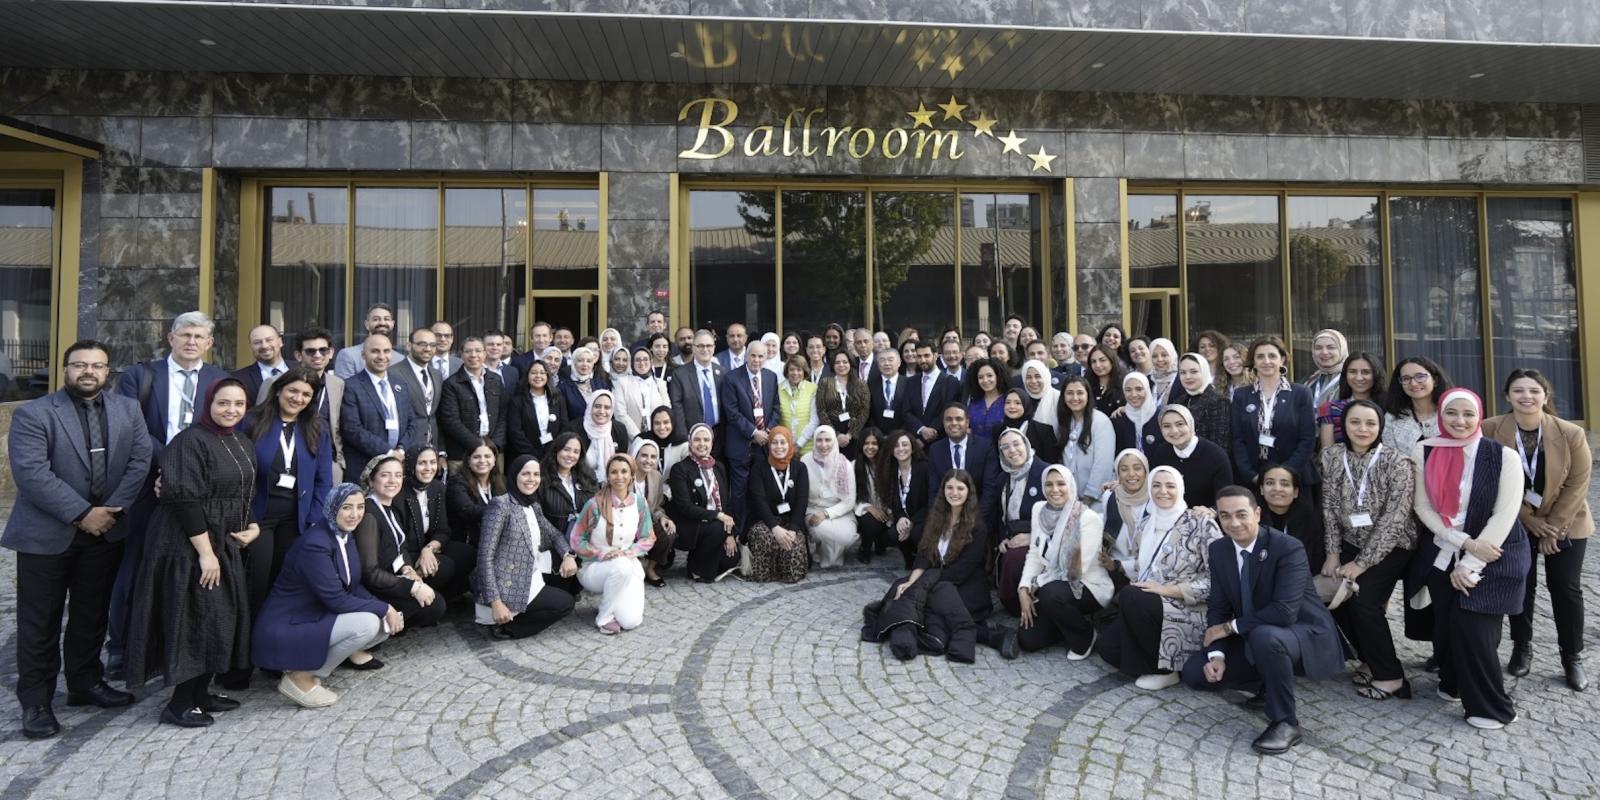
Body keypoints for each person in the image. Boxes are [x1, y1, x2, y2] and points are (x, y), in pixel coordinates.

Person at [5, 341, 151, 738]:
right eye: (80, 365)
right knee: (40, 622)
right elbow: (32, 473)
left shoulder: (128, 409)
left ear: (108, 371)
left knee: (91, 615)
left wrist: (112, 511)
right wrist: (82, 514)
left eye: (97, 365)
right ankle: (36, 700)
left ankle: (85, 683)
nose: (88, 371)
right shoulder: (34, 414)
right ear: (65, 368)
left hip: (106, 532)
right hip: (46, 535)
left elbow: (140, 461)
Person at [123, 379, 257, 728]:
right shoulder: (189, 440)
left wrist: (252, 526)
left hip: (221, 540)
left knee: (219, 616)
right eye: (223, 403)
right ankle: (180, 702)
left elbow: (242, 492)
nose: (231, 410)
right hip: (187, 543)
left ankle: (201, 692)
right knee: (195, 618)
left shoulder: (240, 440)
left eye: (239, 404)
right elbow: (183, 497)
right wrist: (205, 553)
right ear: (209, 403)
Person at [108, 311, 226, 679]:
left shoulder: (220, 379)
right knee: (136, 565)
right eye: (185, 334)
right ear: (170, 337)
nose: (191, 341)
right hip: (147, 484)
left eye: (199, 336)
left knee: (192, 566)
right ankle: (121, 648)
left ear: (209, 343)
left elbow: (227, 425)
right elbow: (131, 428)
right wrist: (171, 468)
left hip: (199, 489)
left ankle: (181, 647)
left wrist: (185, 475)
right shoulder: (140, 377)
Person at [1182, 485, 1343, 755]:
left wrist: (1227, 628)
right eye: (1225, 516)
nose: (1233, 523)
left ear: (1257, 513)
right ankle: (1267, 681)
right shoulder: (1220, 550)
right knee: (1196, 674)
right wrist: (1217, 655)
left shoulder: (1287, 547)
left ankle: (1286, 721)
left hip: (1301, 633)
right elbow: (1218, 606)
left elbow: (1284, 612)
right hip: (1256, 632)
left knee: (1265, 636)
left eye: (1241, 514)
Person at [1413, 388, 1530, 729]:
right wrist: (1460, 542)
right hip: (1446, 547)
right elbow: (1422, 506)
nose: (1460, 421)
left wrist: (1471, 562)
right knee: (1447, 626)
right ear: (1440, 416)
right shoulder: (1425, 450)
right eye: (1452, 413)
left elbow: (1505, 515)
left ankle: (1493, 707)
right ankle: (1454, 683)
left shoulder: (1503, 457)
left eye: (1468, 414)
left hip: (1496, 554)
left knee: (1473, 628)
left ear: (1480, 415)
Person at [1481, 369, 1591, 691]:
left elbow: (1578, 483)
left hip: (1567, 522)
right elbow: (1490, 481)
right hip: (1515, 520)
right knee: (1520, 584)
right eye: (1518, 391)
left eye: (1533, 391)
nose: (1526, 396)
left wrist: (1553, 529)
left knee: (1565, 588)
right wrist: (1529, 521)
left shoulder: (1570, 432)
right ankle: (1521, 648)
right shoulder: (1490, 429)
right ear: (1507, 396)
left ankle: (1572, 657)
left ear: (1546, 395)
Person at [252, 484, 400, 709]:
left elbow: (354, 585)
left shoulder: (343, 534)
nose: (355, 514)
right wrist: (384, 609)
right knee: (369, 623)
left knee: (383, 624)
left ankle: (308, 669)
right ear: (332, 507)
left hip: (314, 615)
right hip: (287, 625)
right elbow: (337, 600)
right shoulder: (316, 542)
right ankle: (299, 677)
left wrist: (384, 607)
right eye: (347, 507)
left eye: (360, 507)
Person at [231, 368, 334, 689]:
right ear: (278, 390)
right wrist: (244, 517)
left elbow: (323, 481)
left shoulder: (316, 428)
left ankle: (274, 658)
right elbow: (236, 472)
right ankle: (239, 663)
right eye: (293, 391)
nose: (298, 399)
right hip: (257, 520)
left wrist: (313, 520)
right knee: (254, 587)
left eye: (306, 395)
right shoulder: (251, 422)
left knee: (283, 591)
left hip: (296, 521)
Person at [1319, 400, 1417, 701]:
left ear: (1380, 427)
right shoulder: (1333, 456)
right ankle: (1368, 659)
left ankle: (1392, 676)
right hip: (1350, 541)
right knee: (1331, 595)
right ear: (1344, 426)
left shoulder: (1396, 462)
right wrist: (1333, 553)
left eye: (1370, 424)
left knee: (1364, 600)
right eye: (1355, 423)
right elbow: (1330, 507)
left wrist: (1361, 564)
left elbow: (1395, 519)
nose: (1363, 429)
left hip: (1394, 545)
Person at [1097, 466, 1221, 690]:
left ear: (1181, 488)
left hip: (1186, 607)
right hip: (1148, 602)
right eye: (1156, 485)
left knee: (1131, 596)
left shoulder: (1200, 523)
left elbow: (1219, 579)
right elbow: (1143, 566)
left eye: (1170, 485)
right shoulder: (1147, 524)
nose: (1163, 491)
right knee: (1107, 649)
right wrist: (1115, 565)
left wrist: (1170, 591)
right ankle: (1151, 658)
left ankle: (1165, 670)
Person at [862, 470, 993, 663]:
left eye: (960, 488)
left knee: (924, 598)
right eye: (949, 487)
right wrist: (913, 582)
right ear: (943, 490)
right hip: (938, 581)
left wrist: (921, 586)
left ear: (968, 492)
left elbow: (961, 572)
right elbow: (924, 555)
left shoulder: (978, 526)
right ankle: (909, 634)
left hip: (966, 587)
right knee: (902, 586)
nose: (954, 492)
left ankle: (913, 633)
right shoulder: (937, 518)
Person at [473, 456, 577, 639]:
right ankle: (505, 627)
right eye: (526, 474)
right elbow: (484, 556)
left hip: (530, 577)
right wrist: (495, 601)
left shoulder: (532, 505)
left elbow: (554, 535)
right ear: (514, 476)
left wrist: (569, 555)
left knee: (568, 596)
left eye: (536, 474)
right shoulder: (500, 505)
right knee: (564, 604)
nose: (532, 479)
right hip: (507, 586)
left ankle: (513, 621)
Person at [1016, 465, 1112, 659]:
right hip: (1054, 584)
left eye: (1061, 484)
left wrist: (1035, 584)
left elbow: (1075, 571)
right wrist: (1023, 588)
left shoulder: (1088, 518)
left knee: (1050, 594)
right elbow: (1035, 554)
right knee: (1028, 639)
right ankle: (1065, 623)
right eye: (1049, 484)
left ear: (1071, 485)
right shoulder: (1039, 510)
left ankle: (1085, 635)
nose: (1055, 489)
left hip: (1087, 586)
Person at [354, 455, 447, 629]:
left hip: (393, 574)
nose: (392, 480)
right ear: (371, 481)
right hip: (375, 588)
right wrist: (412, 587)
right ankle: (384, 627)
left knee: (436, 593)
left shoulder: (390, 508)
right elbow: (369, 573)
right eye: (385, 475)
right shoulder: (368, 514)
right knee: (433, 605)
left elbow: (400, 545)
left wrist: (407, 568)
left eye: (398, 475)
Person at [570, 454, 656, 633]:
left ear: (631, 474)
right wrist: (600, 553)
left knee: (631, 622)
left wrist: (630, 552)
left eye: (624, 471)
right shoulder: (594, 505)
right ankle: (604, 617)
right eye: (614, 472)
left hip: (627, 563)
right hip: (594, 568)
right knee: (622, 567)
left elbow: (648, 537)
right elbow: (577, 540)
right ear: (607, 476)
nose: (619, 476)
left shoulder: (640, 503)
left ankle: (615, 604)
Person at [1229, 335, 1316, 488]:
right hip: (1253, 479)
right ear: (1253, 361)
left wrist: (1285, 475)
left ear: (1282, 359)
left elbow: (1307, 440)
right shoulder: (1241, 395)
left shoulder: (1301, 393)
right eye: (1260, 356)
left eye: (1272, 356)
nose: (1266, 361)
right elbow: (1237, 439)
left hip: (1294, 478)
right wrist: (1251, 475)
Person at [399, 446, 474, 602]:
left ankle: (443, 598)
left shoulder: (437, 487)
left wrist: (428, 549)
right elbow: (399, 542)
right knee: (445, 566)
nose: (428, 468)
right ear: (411, 465)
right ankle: (429, 599)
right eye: (422, 463)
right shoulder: (400, 492)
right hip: (407, 554)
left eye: (432, 462)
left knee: (468, 554)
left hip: (428, 547)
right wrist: (419, 558)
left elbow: (443, 530)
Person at [339, 333, 419, 476]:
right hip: (365, 466)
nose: (381, 356)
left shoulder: (400, 384)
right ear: (363, 355)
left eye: (386, 351)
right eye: (375, 351)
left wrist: (400, 450)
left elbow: (412, 422)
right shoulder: (351, 386)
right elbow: (352, 429)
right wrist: (388, 452)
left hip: (397, 464)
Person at [667, 424, 739, 582]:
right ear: (690, 443)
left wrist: (730, 534)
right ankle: (697, 569)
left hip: (717, 524)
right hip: (690, 523)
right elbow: (685, 507)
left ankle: (702, 559)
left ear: (712, 443)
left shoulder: (719, 467)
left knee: (732, 558)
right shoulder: (680, 469)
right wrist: (718, 516)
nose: (702, 444)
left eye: (706, 440)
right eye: (697, 440)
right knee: (716, 527)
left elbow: (727, 504)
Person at [721, 340, 779, 529]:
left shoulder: (771, 377)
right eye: (753, 355)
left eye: (761, 356)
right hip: (740, 445)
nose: (756, 360)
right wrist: (754, 432)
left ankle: (758, 530)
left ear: (766, 357)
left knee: (761, 491)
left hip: (764, 446)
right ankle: (739, 533)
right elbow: (732, 412)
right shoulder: (731, 378)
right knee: (739, 492)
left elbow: (776, 408)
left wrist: (767, 431)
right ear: (746, 356)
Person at [743, 426, 810, 582]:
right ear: (769, 445)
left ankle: (783, 570)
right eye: (774, 443)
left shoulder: (800, 468)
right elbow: (759, 501)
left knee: (793, 550)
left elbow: (802, 501)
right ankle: (768, 572)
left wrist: (793, 529)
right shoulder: (759, 468)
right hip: (765, 520)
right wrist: (775, 528)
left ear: (789, 444)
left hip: (791, 521)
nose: (779, 447)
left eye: (783, 442)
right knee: (762, 537)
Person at [995, 428, 1048, 619]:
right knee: (1009, 555)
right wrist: (1002, 539)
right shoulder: (1003, 478)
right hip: (1014, 537)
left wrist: (1032, 537)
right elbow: (999, 516)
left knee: (1015, 558)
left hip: (1043, 538)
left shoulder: (1045, 473)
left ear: (1026, 445)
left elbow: (1058, 516)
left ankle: (1030, 608)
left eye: (1016, 444)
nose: (1012, 450)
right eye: (1005, 447)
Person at [926, 403, 1003, 533]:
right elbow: (934, 489)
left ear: (967, 422)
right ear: (943, 423)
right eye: (948, 419)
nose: (953, 423)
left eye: (959, 419)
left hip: (978, 513)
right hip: (946, 514)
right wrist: (941, 518)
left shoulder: (985, 447)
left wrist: (975, 518)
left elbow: (990, 488)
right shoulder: (935, 449)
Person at [536, 433, 596, 591]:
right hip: (554, 541)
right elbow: (540, 520)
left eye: (576, 451)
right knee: (565, 594)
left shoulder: (587, 476)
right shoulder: (541, 480)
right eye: (566, 449)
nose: (571, 455)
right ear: (556, 450)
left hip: (585, 539)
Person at [1147, 405, 1232, 509]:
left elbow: (1226, 497)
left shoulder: (1216, 455)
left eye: (1180, 424)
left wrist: (1213, 511)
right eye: (1166, 426)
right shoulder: (1161, 453)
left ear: (1191, 424)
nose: (1174, 431)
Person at [438, 337, 506, 461]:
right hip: (462, 452)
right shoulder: (451, 384)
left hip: (493, 451)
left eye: (478, 351)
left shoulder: (495, 380)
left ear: (485, 354)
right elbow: (451, 421)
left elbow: (503, 415)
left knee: (495, 481)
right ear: (461, 355)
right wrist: (478, 445)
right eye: (468, 351)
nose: (473, 355)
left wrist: (494, 445)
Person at [1056, 376, 1115, 513]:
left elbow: (1103, 464)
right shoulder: (1064, 422)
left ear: (1088, 395)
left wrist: (1088, 499)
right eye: (1070, 393)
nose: (1075, 397)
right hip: (1071, 500)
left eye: (1080, 393)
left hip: (1094, 501)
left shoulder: (1100, 421)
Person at [801, 426, 858, 567]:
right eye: (819, 440)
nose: (823, 444)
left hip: (840, 511)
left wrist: (826, 513)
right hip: (813, 509)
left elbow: (849, 501)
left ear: (834, 441)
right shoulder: (805, 461)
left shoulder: (844, 464)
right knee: (824, 531)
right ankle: (824, 549)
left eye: (828, 440)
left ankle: (831, 552)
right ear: (814, 441)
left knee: (846, 536)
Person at [294, 328, 346, 481]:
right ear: (298, 355)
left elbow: (339, 426)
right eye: (310, 351)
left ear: (330, 353)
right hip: (295, 459)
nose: (317, 355)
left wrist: (339, 462)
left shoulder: (338, 384)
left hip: (329, 462)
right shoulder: (279, 383)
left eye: (323, 350)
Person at [628, 439, 678, 587]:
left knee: (668, 531)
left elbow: (656, 506)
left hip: (646, 523)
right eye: (644, 455)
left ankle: (650, 568)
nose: (648, 460)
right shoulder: (624, 474)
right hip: (624, 524)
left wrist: (663, 517)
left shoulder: (655, 476)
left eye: (653, 457)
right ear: (635, 456)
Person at [667, 331, 726, 454]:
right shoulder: (680, 374)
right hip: (693, 437)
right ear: (693, 348)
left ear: (714, 348)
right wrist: (684, 438)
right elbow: (677, 407)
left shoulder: (722, 373)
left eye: (709, 346)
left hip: (719, 436)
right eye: (700, 346)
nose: (705, 349)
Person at [388, 326, 444, 454]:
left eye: (432, 345)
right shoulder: (393, 373)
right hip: (404, 448)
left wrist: (441, 450)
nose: (428, 349)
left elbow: (436, 416)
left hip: (432, 449)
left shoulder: (437, 375)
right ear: (408, 346)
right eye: (422, 344)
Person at [1257, 464, 1324, 571]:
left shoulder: (1310, 521)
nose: (1277, 488)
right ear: (1261, 489)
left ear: (1295, 492)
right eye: (1270, 483)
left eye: (1285, 484)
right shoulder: (1252, 520)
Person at [879, 430, 930, 570]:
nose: (901, 449)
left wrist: (912, 523)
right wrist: (900, 517)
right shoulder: (890, 469)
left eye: (905, 444)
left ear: (912, 447)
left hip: (923, 516)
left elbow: (930, 502)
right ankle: (909, 559)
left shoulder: (924, 467)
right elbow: (892, 500)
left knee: (916, 533)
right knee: (892, 534)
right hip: (903, 515)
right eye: (896, 445)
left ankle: (923, 563)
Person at [1317, 352, 1386, 449]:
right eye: (1352, 372)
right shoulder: (1331, 409)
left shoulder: (1389, 407)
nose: (1358, 377)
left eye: (1365, 372)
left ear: (1376, 375)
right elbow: (1327, 454)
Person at [1383, 356, 1451, 454]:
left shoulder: (1452, 413)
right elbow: (1390, 458)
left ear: (1435, 380)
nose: (1413, 383)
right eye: (1406, 379)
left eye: (1420, 376)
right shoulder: (1392, 418)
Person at [445, 439, 505, 548]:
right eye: (476, 457)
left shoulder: (502, 482)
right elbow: (467, 510)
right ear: (468, 460)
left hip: (495, 541)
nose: (482, 460)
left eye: (487, 456)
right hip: (467, 542)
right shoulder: (457, 482)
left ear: (495, 459)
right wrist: (500, 511)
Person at [506, 360, 568, 463]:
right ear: (527, 376)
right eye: (533, 373)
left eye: (542, 373)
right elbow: (515, 432)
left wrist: (552, 451)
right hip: (526, 456)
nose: (538, 376)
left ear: (548, 376)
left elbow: (564, 426)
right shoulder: (517, 401)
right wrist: (533, 454)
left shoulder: (558, 399)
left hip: (552, 455)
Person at [1169, 352, 1230, 448]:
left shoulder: (1219, 401)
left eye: (1193, 372)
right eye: (1183, 372)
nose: (1188, 377)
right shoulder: (1179, 401)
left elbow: (1220, 444)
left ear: (1204, 371)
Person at [815, 348, 869, 457]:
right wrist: (835, 435)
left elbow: (865, 411)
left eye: (845, 362)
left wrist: (850, 435)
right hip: (830, 435)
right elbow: (821, 410)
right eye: (837, 362)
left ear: (850, 363)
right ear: (833, 365)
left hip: (854, 436)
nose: (841, 365)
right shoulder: (825, 383)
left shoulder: (861, 384)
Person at [908, 341, 963, 445]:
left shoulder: (951, 382)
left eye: (926, 355)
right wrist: (921, 429)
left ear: (936, 355)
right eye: (919, 356)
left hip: (940, 440)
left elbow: (947, 411)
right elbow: (906, 411)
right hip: (915, 441)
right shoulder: (911, 382)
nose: (923, 360)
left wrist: (928, 434)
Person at [853, 428, 893, 563]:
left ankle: (880, 539)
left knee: (890, 537)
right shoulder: (854, 465)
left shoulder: (890, 465)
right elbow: (851, 496)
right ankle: (865, 547)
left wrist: (887, 509)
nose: (870, 447)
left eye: (874, 443)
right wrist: (869, 507)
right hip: (864, 509)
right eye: (866, 443)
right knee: (871, 524)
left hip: (887, 510)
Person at [231, 324, 295, 406]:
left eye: (269, 340)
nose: (264, 346)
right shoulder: (239, 379)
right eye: (257, 342)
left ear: (280, 342)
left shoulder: (302, 369)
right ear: (251, 346)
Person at [613, 346, 670, 439]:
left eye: (645, 359)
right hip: (632, 438)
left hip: (658, 437)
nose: (642, 363)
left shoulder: (660, 384)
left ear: (651, 362)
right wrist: (638, 437)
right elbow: (620, 414)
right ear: (632, 363)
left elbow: (667, 410)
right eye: (638, 360)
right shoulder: (622, 383)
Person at [332, 304, 399, 380]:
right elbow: (344, 389)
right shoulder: (348, 355)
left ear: (393, 324)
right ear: (367, 324)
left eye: (386, 319)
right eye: (376, 319)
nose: (382, 323)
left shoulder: (400, 359)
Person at [777, 355, 818, 455]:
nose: (795, 373)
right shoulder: (778, 389)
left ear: (804, 371)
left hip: (807, 446)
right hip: (784, 446)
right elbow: (777, 418)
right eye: (791, 370)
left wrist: (799, 444)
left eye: (799, 370)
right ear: (787, 371)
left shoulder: (813, 389)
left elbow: (814, 420)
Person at [999, 389, 1057, 459]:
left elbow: (1051, 461)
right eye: (1007, 402)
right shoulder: (998, 430)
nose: (1012, 406)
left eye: (1017, 403)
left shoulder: (1044, 431)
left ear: (1026, 404)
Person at [1112, 372, 1159, 454]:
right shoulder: (1118, 419)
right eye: (1128, 390)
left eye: (1139, 389)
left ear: (1147, 390)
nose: (1133, 395)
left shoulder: (1160, 417)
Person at [557, 346, 608, 420]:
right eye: (580, 360)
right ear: (574, 363)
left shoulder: (601, 385)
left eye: (589, 361)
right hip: (574, 430)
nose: (585, 364)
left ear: (593, 364)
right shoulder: (563, 388)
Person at [868, 348, 911, 434]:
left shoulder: (909, 383)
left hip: (903, 434)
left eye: (890, 360)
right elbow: (869, 413)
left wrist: (899, 434)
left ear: (899, 363)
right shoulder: (870, 384)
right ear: (878, 364)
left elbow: (911, 412)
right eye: (882, 360)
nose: (886, 363)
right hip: (878, 436)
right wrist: (877, 434)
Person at [1303, 329, 1348, 408]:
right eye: (1318, 348)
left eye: (1331, 347)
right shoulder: (1307, 382)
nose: (1324, 352)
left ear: (1342, 350)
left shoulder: (1352, 380)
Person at [964, 358, 1007, 441]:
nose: (985, 380)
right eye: (980, 377)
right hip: (977, 450)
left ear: (998, 376)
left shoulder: (1008, 400)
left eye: (989, 376)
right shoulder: (973, 401)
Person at [637, 406, 689, 474]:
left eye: (666, 422)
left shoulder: (683, 444)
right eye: (657, 423)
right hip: (648, 483)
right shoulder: (641, 441)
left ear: (672, 423)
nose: (662, 427)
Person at [1019, 360, 1062, 440]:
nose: (1033, 381)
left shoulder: (1059, 398)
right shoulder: (1021, 400)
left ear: (1045, 376)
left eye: (1038, 376)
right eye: (1028, 377)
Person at [1086, 344, 1125, 418]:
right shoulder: (1087, 386)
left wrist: (1126, 409)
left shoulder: (1125, 384)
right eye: (1093, 361)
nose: (1097, 365)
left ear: (1112, 361)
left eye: (1102, 360)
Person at [1146, 338, 1180, 407]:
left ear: (1172, 356)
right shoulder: (1147, 380)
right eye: (1154, 356)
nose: (1159, 359)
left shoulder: (1182, 380)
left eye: (1164, 355)